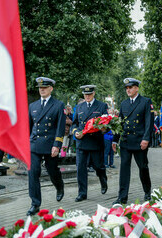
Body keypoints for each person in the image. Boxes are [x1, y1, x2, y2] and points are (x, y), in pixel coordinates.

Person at [27, 77, 65, 216]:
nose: (41, 90)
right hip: (35, 144)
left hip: (50, 146)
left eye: (44, 87)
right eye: (40, 87)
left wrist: (57, 145)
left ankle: (59, 186)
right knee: (33, 172)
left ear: (51, 89)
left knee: (52, 171)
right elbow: (29, 127)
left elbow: (60, 127)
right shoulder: (33, 106)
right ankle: (35, 203)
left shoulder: (58, 105)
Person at [112, 78, 154, 204]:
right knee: (124, 169)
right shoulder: (124, 104)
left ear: (137, 88)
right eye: (127, 88)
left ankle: (147, 191)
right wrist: (115, 140)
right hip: (125, 141)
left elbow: (149, 122)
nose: (128, 90)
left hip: (139, 141)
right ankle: (122, 197)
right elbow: (119, 123)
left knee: (143, 167)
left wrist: (146, 139)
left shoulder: (146, 102)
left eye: (130, 87)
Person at [72, 85, 108, 202]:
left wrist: (104, 129)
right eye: (85, 94)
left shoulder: (102, 106)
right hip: (82, 142)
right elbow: (75, 124)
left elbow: (107, 123)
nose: (87, 96)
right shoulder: (79, 107)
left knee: (98, 166)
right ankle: (82, 193)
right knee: (81, 168)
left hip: (96, 142)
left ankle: (103, 179)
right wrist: (76, 132)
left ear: (94, 94)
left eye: (89, 94)